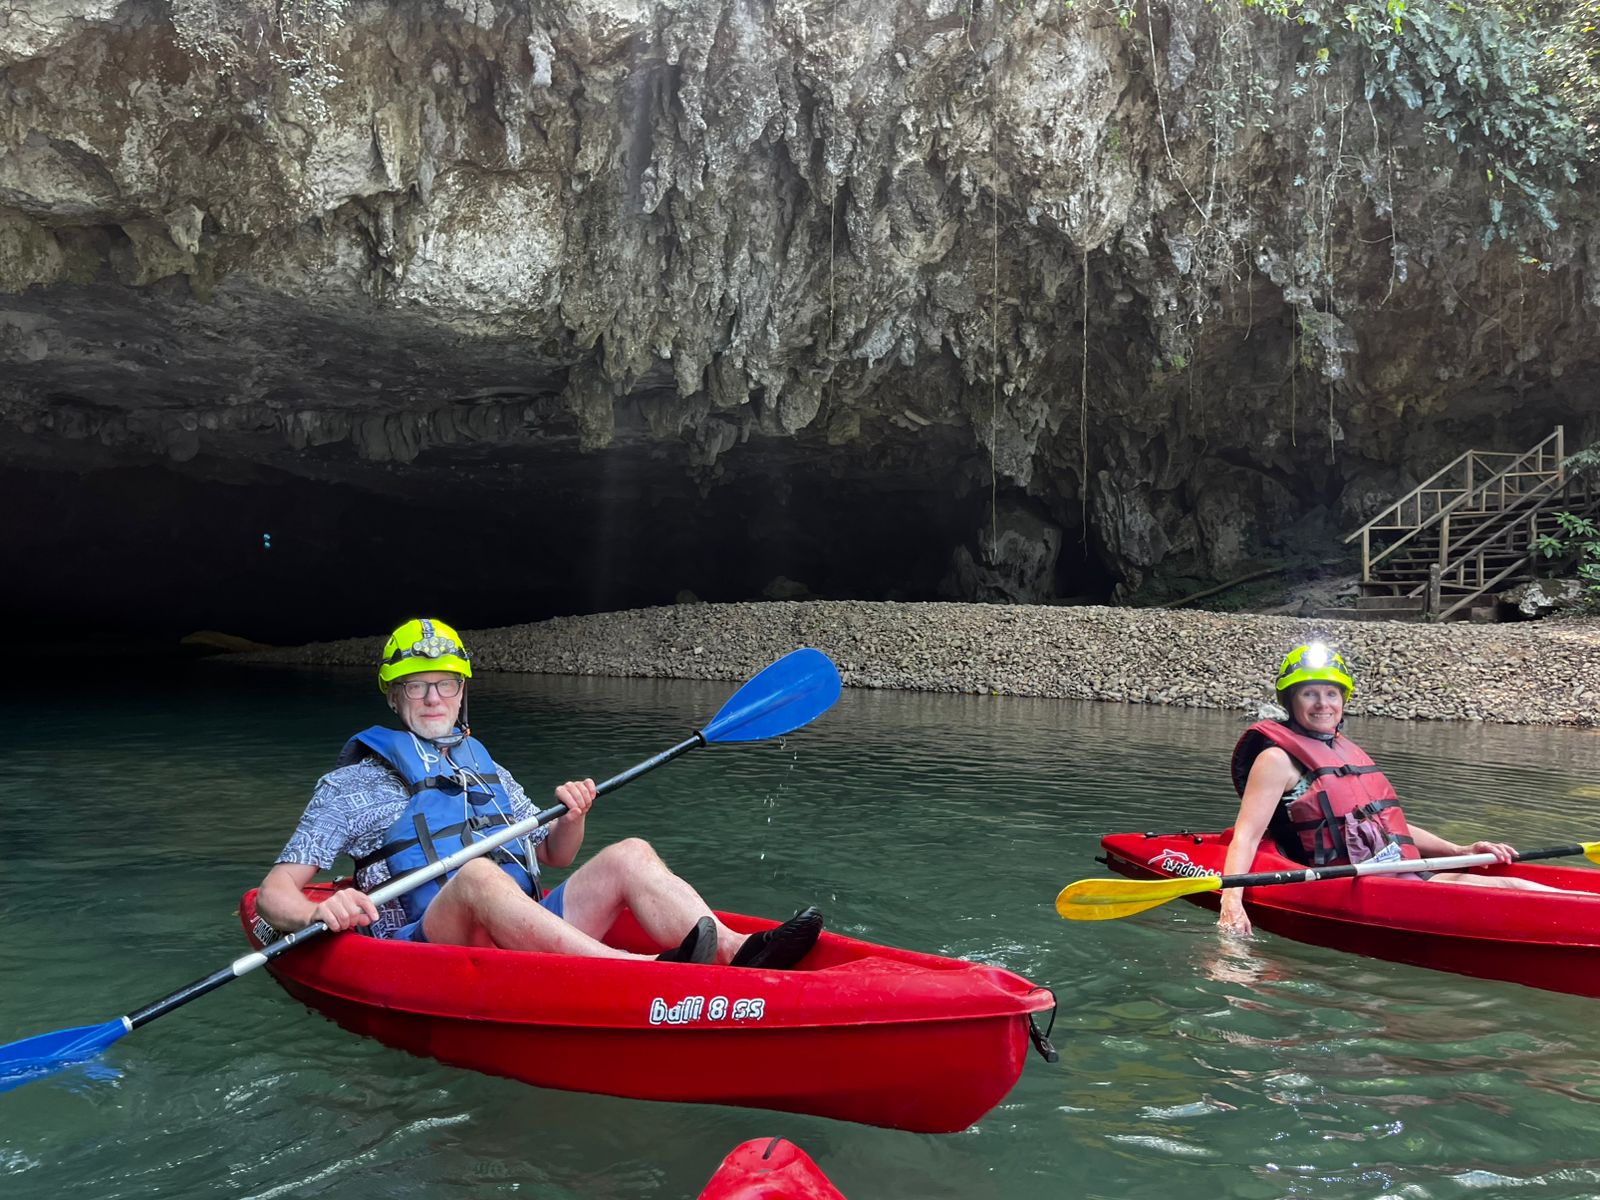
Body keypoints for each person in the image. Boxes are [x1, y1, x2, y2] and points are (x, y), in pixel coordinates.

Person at [257, 617, 823, 967]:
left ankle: (738, 952)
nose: (433, 697)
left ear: (461, 693)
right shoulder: (353, 784)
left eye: (445, 684)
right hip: (427, 949)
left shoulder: (487, 770)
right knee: (480, 873)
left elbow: (554, 854)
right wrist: (325, 907)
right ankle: (638, 974)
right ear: (394, 698)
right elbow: (274, 897)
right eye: (415, 686)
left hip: (517, 932)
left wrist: (573, 813)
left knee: (631, 852)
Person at [1219, 641, 1558, 936]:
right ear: (1290, 702)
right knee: (1512, 889)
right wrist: (1231, 901)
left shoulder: (1341, 751)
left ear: (1343, 700)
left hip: (1393, 874)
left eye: (1331, 693)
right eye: (1309, 693)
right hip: (1347, 885)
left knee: (1519, 886)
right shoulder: (1276, 760)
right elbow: (1247, 836)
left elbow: (1384, 825)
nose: (1323, 703)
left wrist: (1459, 850)